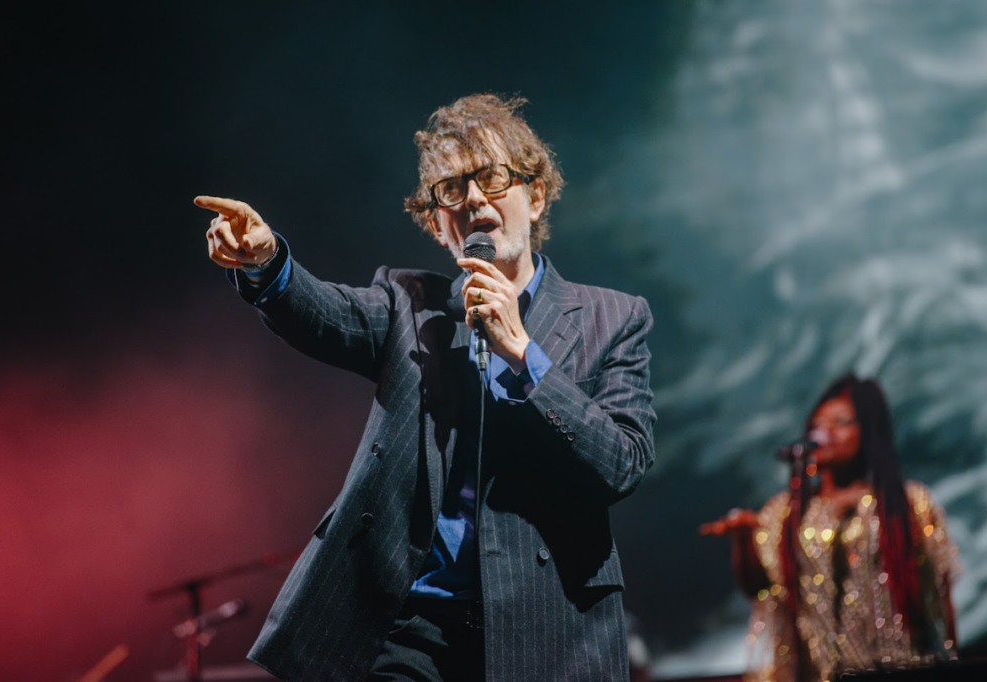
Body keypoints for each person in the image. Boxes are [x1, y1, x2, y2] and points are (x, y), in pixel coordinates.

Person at [196, 94, 656, 682]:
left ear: (534, 195)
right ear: (440, 228)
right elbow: (321, 311)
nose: (472, 200)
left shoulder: (612, 318)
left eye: (491, 178)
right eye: (451, 190)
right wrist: (266, 262)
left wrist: (523, 353)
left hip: (546, 628)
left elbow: (622, 463)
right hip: (414, 628)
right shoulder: (410, 304)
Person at [699, 374, 960, 682]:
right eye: (817, 424)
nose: (825, 432)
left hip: (902, 668)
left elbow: (940, 592)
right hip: (818, 673)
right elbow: (760, 588)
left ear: (868, 431)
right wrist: (743, 540)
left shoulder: (909, 503)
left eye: (841, 422)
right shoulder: (787, 511)